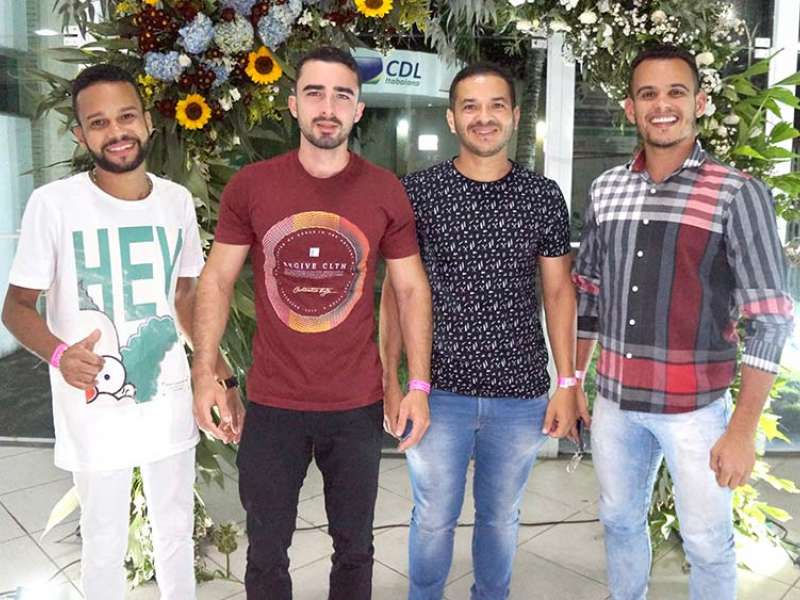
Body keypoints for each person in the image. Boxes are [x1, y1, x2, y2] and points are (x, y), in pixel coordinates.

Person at [190, 45, 433, 600]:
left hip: (356, 404)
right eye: (315, 93)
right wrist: (206, 371)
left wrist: (414, 385)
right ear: (294, 104)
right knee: (266, 549)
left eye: (342, 95)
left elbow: (411, 288)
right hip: (273, 402)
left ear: (358, 110)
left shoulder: (384, 190)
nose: (328, 107)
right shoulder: (252, 186)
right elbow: (216, 280)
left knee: (355, 547)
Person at [1, 63, 239, 600]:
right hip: (93, 405)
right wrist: (59, 354)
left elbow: (185, 298)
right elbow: (16, 307)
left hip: (166, 394)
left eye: (126, 116)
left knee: (175, 531)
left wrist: (220, 377)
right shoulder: (53, 205)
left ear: (148, 121)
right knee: (104, 540)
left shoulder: (175, 201)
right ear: (80, 135)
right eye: (99, 122)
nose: (116, 132)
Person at [573, 44, 794, 600]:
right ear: (631, 108)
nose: (662, 104)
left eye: (676, 91)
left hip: (695, 411)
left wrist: (741, 430)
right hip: (615, 404)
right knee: (619, 521)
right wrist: (574, 384)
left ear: (699, 102)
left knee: (707, 542)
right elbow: (589, 296)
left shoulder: (737, 193)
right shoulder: (607, 189)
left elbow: (770, 319)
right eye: (648, 94)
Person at [380, 62, 578, 600]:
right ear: (452, 118)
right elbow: (396, 296)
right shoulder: (416, 193)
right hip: (435, 393)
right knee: (432, 517)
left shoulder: (542, 196)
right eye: (470, 106)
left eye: (496, 106)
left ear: (514, 116)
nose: (483, 118)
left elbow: (559, 293)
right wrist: (392, 383)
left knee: (500, 517)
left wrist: (568, 382)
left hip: (519, 394)